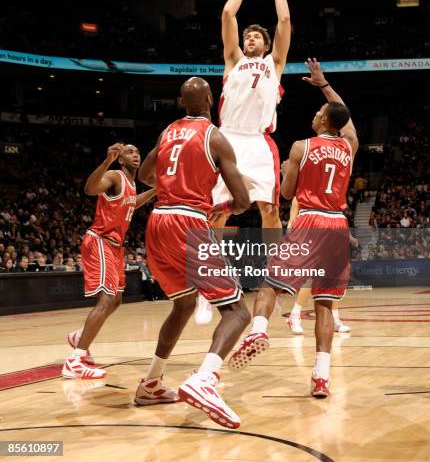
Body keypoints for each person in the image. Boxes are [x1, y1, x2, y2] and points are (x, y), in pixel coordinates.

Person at [228, 58, 359, 398]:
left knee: (271, 283)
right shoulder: (349, 146)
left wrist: (288, 169)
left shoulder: (302, 146)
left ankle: (258, 331)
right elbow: (348, 120)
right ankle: (321, 376)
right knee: (325, 305)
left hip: (310, 220)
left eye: (319, 112)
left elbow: (286, 194)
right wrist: (324, 84)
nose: (315, 115)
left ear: (325, 120)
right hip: (337, 226)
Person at [135, 77, 250, 429]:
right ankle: (205, 379)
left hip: (156, 222)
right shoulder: (214, 137)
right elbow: (243, 202)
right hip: (188, 222)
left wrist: (173, 186)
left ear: (182, 103)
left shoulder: (168, 131)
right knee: (237, 311)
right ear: (211, 99)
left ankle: (151, 383)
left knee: (183, 303)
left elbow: (144, 174)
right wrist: (223, 203)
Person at [194, 0, 291, 325]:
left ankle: (274, 282)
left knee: (270, 212)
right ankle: (210, 287)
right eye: (248, 35)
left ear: (265, 45)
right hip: (228, 141)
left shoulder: (273, 64)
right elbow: (226, 15)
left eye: (257, 37)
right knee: (215, 213)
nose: (250, 39)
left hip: (260, 143)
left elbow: (283, 22)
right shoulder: (232, 61)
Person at [62, 143, 155, 379]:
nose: (136, 154)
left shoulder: (132, 185)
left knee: (116, 300)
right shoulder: (115, 175)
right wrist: (107, 161)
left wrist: (156, 190)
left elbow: (132, 202)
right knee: (107, 299)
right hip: (101, 240)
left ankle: (78, 337)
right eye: (130, 152)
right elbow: (90, 189)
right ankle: (75, 361)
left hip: (115, 246)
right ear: (121, 159)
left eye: (137, 151)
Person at [286, 198, 354, 335]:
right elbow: (295, 207)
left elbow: (336, 209)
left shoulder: (333, 187)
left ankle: (334, 319)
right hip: (312, 227)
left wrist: (348, 234)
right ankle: (295, 314)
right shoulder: (306, 188)